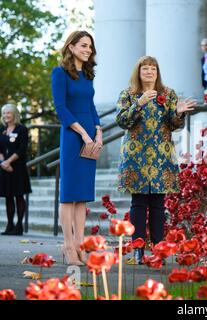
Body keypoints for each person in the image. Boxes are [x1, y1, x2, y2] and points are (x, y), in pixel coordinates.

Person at [116, 56, 196, 264]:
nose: (149, 72)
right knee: (139, 202)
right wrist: (139, 103)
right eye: (145, 68)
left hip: (161, 154)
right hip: (136, 154)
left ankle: (159, 249)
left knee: (158, 204)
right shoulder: (129, 94)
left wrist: (178, 114)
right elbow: (122, 121)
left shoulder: (168, 94)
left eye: (153, 68)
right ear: (139, 72)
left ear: (157, 72)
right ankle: (138, 250)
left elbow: (174, 124)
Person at [51, 31, 103, 266]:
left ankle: (81, 246)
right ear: (71, 47)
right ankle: (68, 246)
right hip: (73, 136)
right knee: (69, 195)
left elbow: (90, 105)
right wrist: (82, 132)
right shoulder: (59, 73)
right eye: (83, 45)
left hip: (91, 136)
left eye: (90, 46)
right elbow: (61, 107)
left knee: (82, 196)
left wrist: (98, 131)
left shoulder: (88, 75)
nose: (88, 50)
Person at [0, 103, 32, 236]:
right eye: (4, 113)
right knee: (8, 197)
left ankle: (19, 226)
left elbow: (22, 149)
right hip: (4, 168)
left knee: (19, 195)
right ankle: (9, 225)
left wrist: (8, 161)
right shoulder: (1, 129)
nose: (6, 115)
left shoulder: (22, 129)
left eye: (8, 113)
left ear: (14, 114)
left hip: (17, 168)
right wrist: (2, 162)